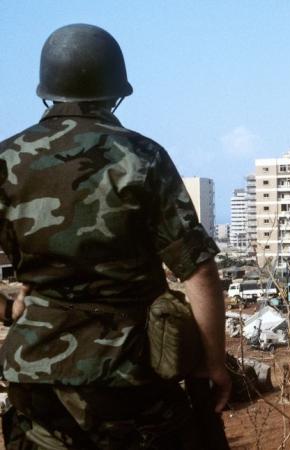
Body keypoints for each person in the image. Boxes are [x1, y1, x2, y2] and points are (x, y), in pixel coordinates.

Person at [0, 24, 231, 449]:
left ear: (47, 92)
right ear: (115, 93)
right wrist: (213, 363)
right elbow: (199, 272)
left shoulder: (6, 158)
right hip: (131, 379)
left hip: (34, 378)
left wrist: (8, 304)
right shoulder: (142, 156)